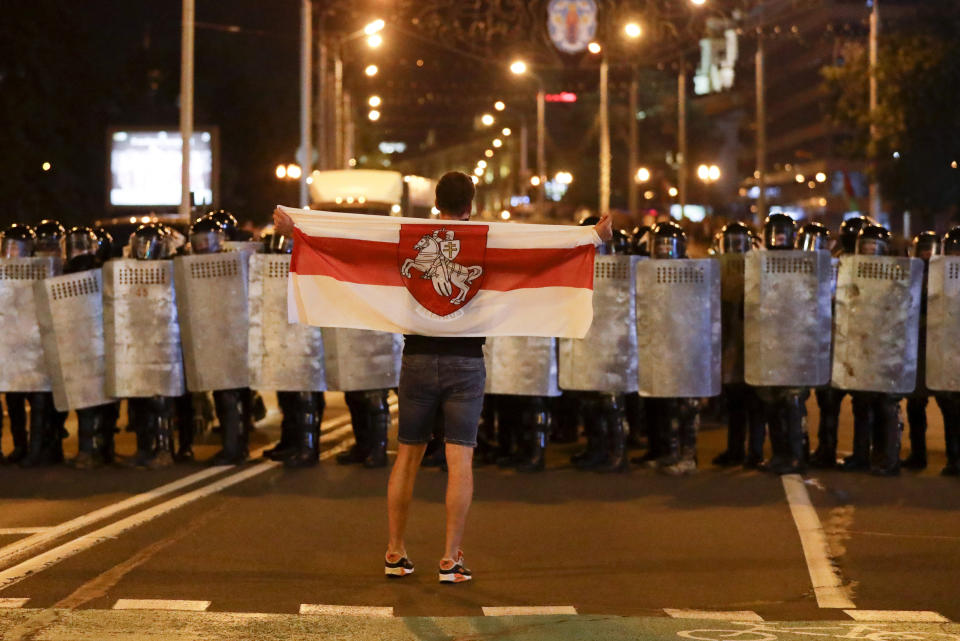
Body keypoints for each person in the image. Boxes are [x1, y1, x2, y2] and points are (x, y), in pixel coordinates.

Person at [273, 171, 611, 583]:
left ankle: (395, 552)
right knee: (460, 459)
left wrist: (297, 228)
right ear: (470, 205)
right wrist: (592, 236)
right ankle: (451, 558)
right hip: (465, 363)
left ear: (436, 205)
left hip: (416, 359)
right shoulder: (488, 238)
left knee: (408, 456)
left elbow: (350, 244)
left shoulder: (409, 235)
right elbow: (540, 250)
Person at [902, 231, 940, 470]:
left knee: (951, 407)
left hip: (941, 347)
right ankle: (918, 454)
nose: (927, 253)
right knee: (915, 406)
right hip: (917, 347)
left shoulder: (948, 275)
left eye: (931, 249)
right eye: (923, 249)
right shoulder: (909, 275)